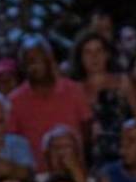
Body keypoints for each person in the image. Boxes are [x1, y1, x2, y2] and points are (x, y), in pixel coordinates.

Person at [7, 35, 89, 172]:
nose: (35, 65)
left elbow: (87, 129)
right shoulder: (14, 101)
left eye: (39, 58)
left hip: (77, 170)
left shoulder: (74, 90)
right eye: (29, 61)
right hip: (39, 177)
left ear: (49, 59)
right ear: (23, 67)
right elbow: (13, 142)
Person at [71, 29, 136, 164]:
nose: (94, 57)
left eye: (99, 51)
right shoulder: (74, 89)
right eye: (88, 52)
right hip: (91, 156)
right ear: (80, 57)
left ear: (107, 54)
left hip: (123, 151)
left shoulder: (123, 81)